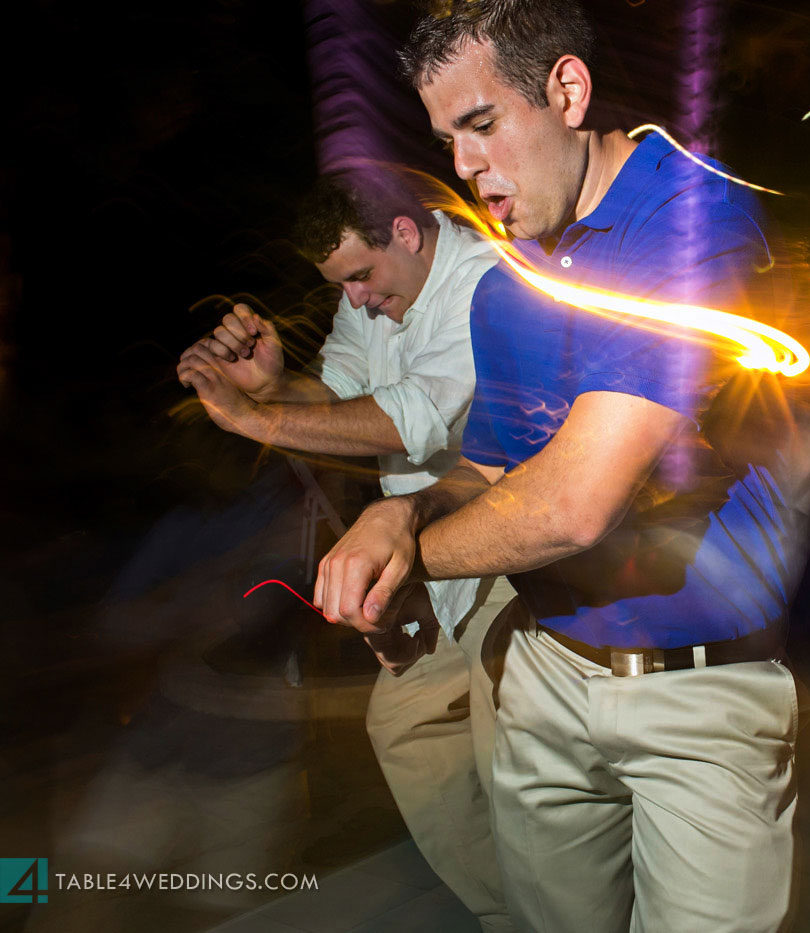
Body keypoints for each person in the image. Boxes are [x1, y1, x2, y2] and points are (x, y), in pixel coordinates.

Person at [312, 1, 810, 929]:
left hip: (698, 693)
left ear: (566, 90)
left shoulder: (690, 221)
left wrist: (405, 566)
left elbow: (572, 504)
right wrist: (405, 511)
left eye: (482, 125)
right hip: (543, 675)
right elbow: (490, 473)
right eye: (448, 139)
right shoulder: (509, 284)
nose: (465, 169)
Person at [176, 172, 515, 931]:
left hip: (507, 546)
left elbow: (410, 422)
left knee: (508, 754)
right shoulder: (369, 293)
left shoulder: (485, 283)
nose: (356, 298)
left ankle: (558, 906)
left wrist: (253, 421)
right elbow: (340, 394)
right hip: (428, 553)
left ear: (406, 229)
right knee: (406, 724)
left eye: (360, 276)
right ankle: (507, 909)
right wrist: (272, 389)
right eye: (342, 285)